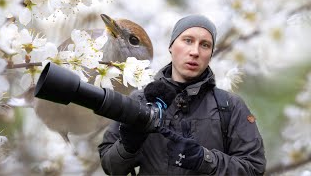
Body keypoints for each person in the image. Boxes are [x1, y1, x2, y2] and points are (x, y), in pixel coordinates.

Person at [98, 14, 266, 175]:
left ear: (211, 54)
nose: (195, 51)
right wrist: (128, 145)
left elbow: (254, 168)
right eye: (188, 40)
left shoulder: (230, 106)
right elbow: (110, 167)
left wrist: (205, 159)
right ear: (171, 46)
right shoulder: (139, 100)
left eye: (205, 45)